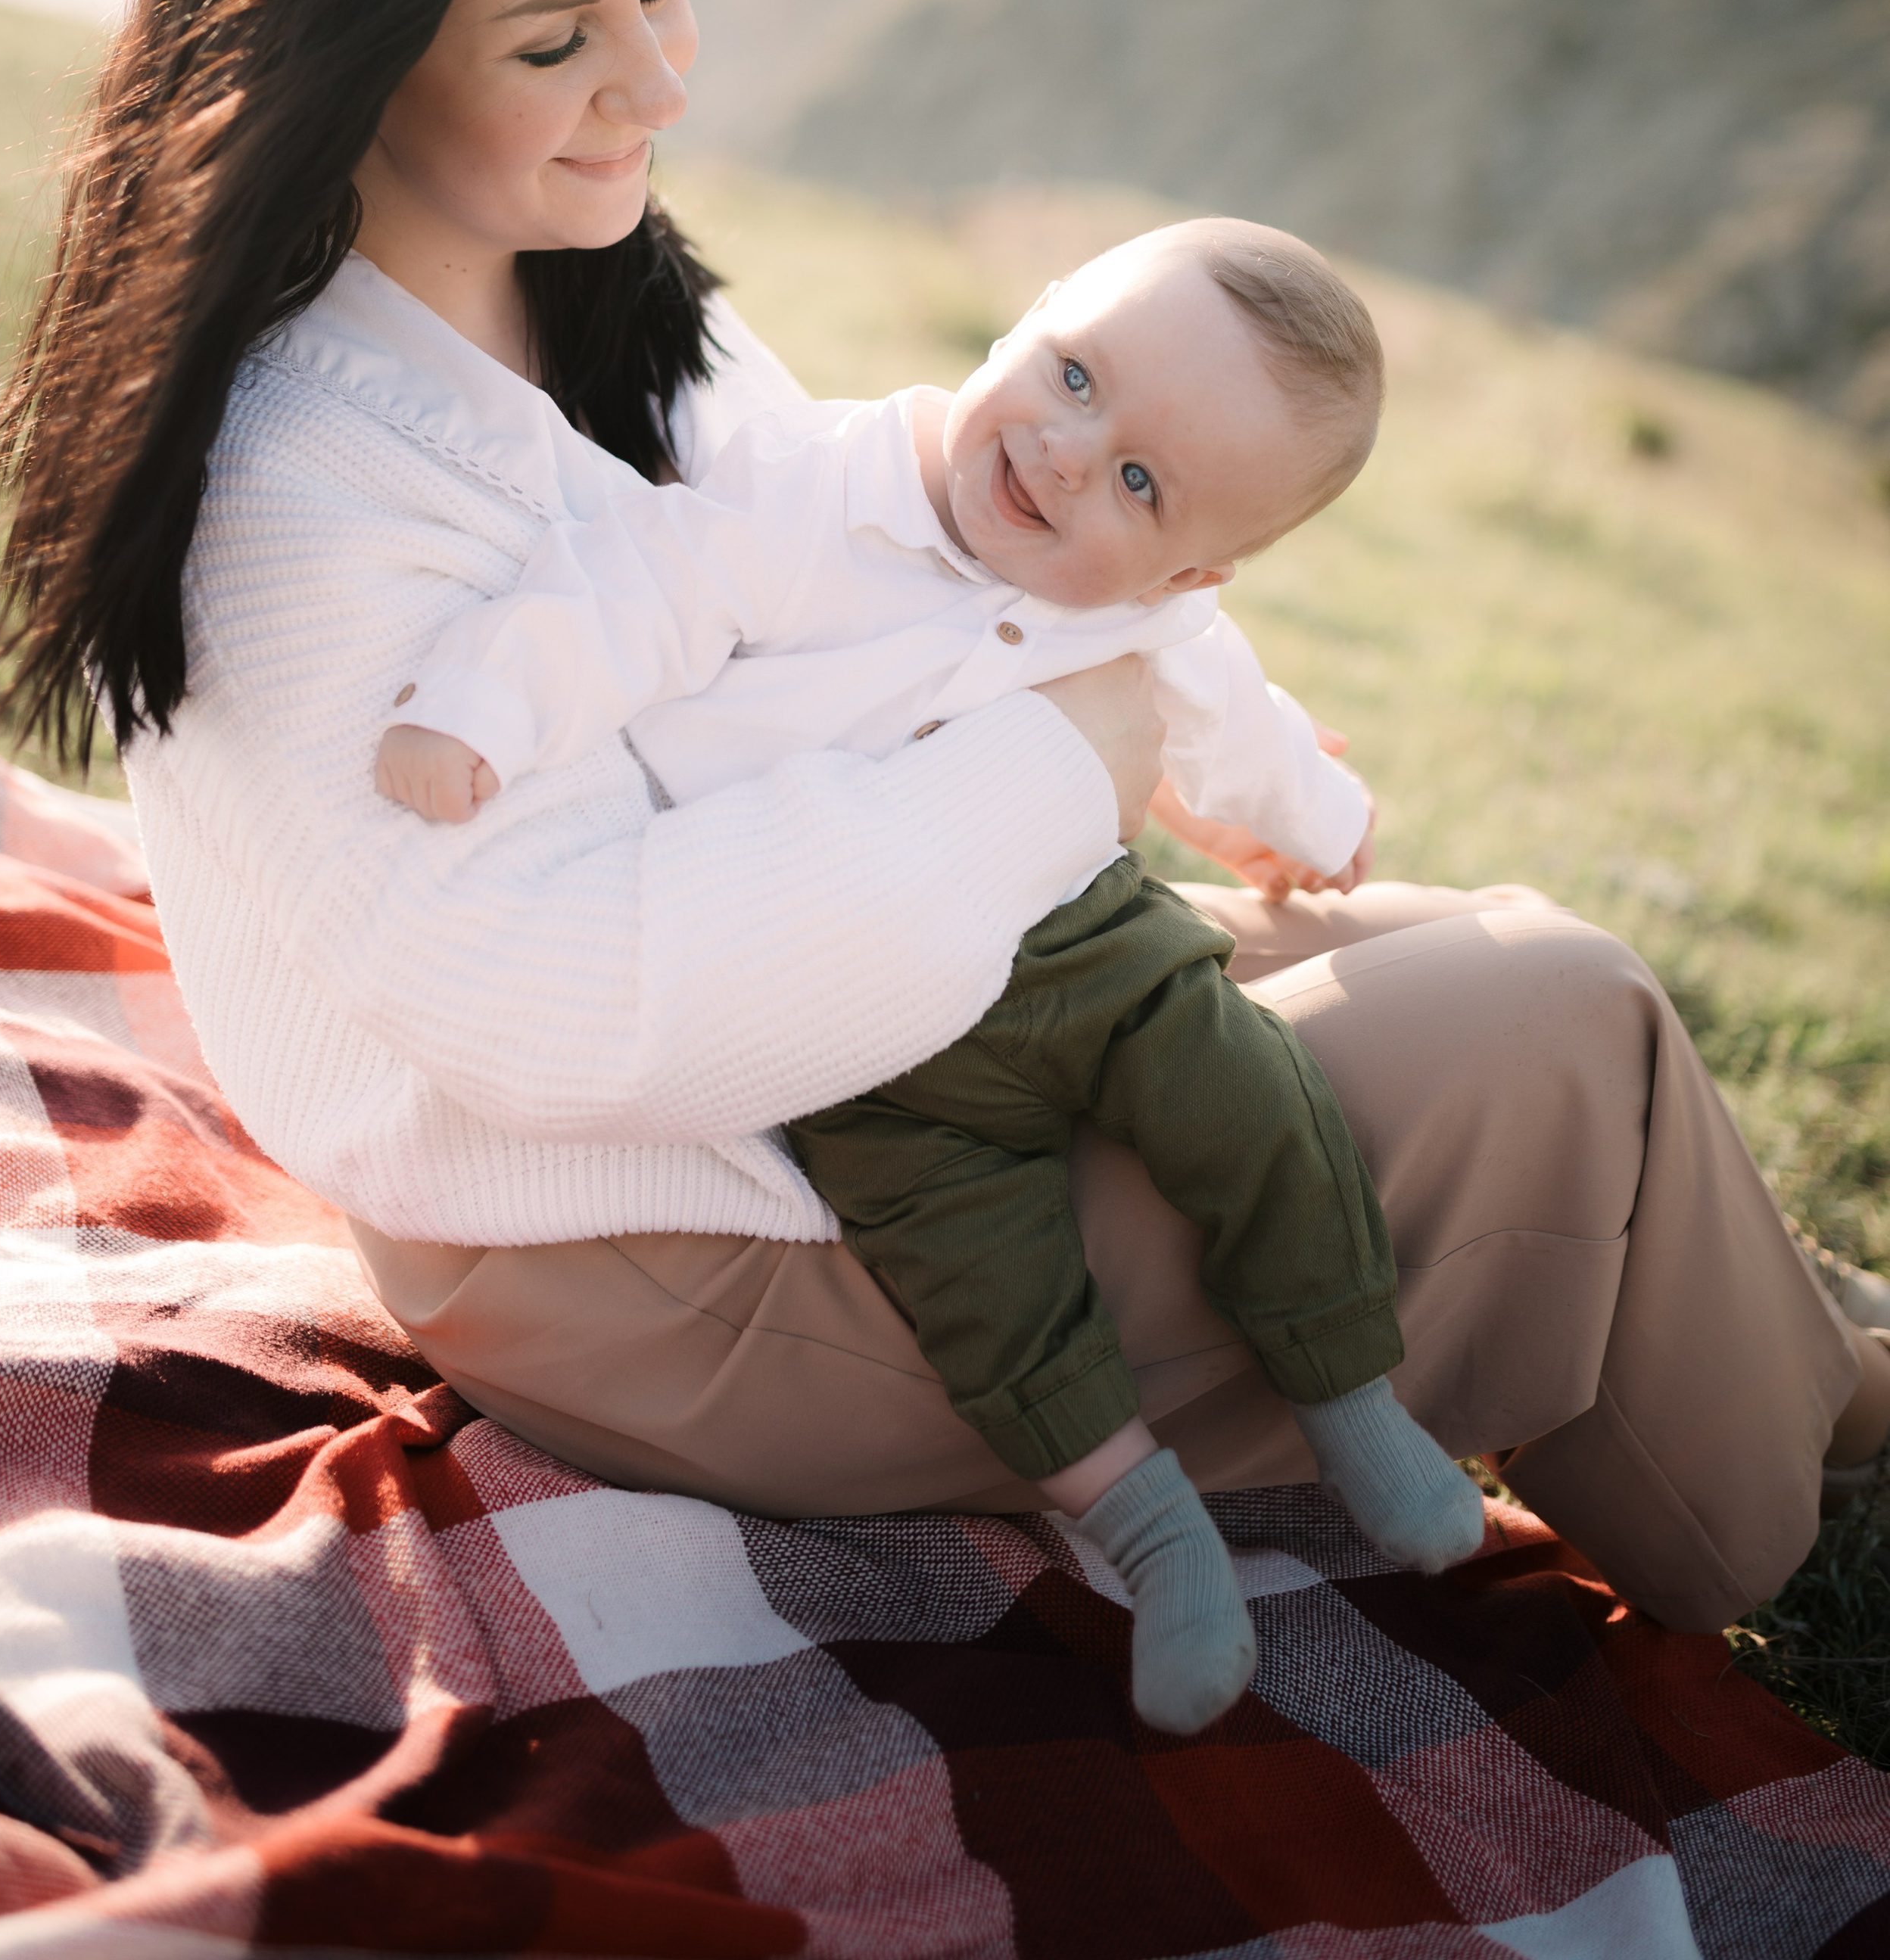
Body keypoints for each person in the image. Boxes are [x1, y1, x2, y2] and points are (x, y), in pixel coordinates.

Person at [0, 0, 1888, 1696]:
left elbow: (861, 612)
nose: (659, 80)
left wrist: (1111, 742)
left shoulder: (610, 302)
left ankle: (1824, 1368)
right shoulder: (310, 486)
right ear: (356, 56)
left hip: (846, 1081)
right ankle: (1794, 1480)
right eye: (558, 39)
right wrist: (1076, 752)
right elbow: (577, 1015)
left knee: (1450, 933)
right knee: (1552, 1022)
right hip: (671, 1256)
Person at [371, 218, 1484, 1731]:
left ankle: (1349, 1393)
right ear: (1031, 313)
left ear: (1192, 564)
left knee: (1242, 1089)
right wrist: (479, 709)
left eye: (1141, 483)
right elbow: (625, 589)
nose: (1068, 457)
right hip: (853, 1015)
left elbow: (1240, 733)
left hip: (1079, 944)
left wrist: (1323, 829)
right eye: (1076, 376)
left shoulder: (1158, 616)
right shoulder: (811, 497)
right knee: (978, 1279)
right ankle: (1149, 1534)